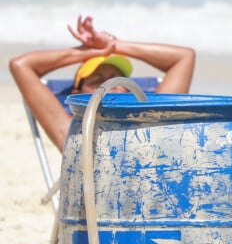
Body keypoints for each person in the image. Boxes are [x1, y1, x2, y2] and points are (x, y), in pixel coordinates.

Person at [9, 15, 195, 153]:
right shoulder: (73, 136)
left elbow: (184, 57)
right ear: (77, 92)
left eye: (117, 79)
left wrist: (113, 45)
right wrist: (86, 52)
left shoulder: (153, 122)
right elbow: (21, 65)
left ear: (128, 88)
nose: (110, 85)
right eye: (98, 81)